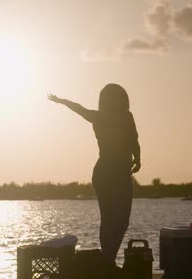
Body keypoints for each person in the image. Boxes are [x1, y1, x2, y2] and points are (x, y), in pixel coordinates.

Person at [48, 84, 140, 270]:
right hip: (117, 172)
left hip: (102, 172)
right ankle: (108, 261)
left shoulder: (98, 116)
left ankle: (108, 261)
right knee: (120, 221)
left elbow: (78, 108)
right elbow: (133, 139)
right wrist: (137, 159)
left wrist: (61, 101)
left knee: (108, 220)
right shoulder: (125, 116)